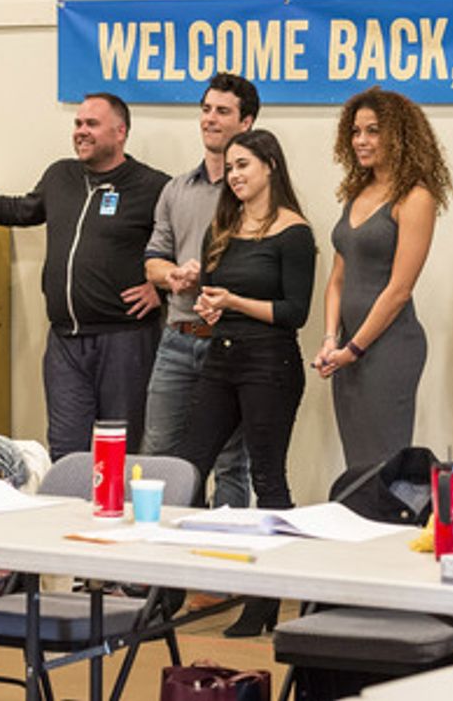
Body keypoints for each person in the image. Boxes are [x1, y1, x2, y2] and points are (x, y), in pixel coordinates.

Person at [0, 92, 168, 459]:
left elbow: (188, 245)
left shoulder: (153, 186)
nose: (81, 131)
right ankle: (70, 517)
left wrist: (162, 290)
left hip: (125, 340)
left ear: (120, 132)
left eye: (92, 124)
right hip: (65, 342)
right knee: (66, 451)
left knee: (120, 453)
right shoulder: (60, 175)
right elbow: (18, 210)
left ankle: (118, 516)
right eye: (78, 123)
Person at [175, 130, 315, 637]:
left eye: (243, 166)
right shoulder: (228, 226)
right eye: (229, 167)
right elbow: (222, 296)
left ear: (269, 167)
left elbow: (294, 312)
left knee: (267, 478)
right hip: (223, 356)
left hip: (269, 364)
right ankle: (169, 587)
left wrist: (232, 301)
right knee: (186, 468)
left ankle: (266, 599)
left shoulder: (294, 232)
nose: (233, 175)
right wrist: (212, 303)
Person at [313, 86, 452, 468]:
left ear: (398, 134)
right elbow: (338, 279)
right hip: (347, 350)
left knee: (383, 466)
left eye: (373, 131)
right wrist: (330, 340)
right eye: (356, 131)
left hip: (389, 349)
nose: (361, 140)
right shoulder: (356, 194)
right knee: (357, 464)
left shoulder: (415, 197)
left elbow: (398, 290)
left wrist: (353, 349)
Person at [142, 73, 258, 506]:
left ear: (246, 123)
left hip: (229, 341)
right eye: (206, 109)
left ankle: (219, 564)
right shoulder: (176, 189)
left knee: (231, 462)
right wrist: (170, 275)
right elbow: (153, 259)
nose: (210, 119)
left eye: (223, 111)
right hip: (176, 339)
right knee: (159, 455)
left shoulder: (256, 191)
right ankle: (160, 566)